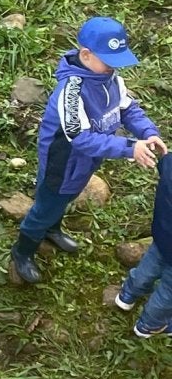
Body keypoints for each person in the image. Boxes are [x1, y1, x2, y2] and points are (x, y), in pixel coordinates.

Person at [11, 17, 165, 284]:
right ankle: (22, 252)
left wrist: (148, 132)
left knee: (66, 198)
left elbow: (128, 108)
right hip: (64, 162)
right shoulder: (71, 91)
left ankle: (52, 229)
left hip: (87, 160)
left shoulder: (111, 79)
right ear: (86, 54)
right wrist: (130, 147)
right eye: (109, 61)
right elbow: (80, 138)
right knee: (46, 206)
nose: (114, 68)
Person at [114, 152, 172, 338]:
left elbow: (163, 162)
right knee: (167, 293)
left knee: (148, 266)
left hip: (163, 238)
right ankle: (150, 324)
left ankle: (128, 294)